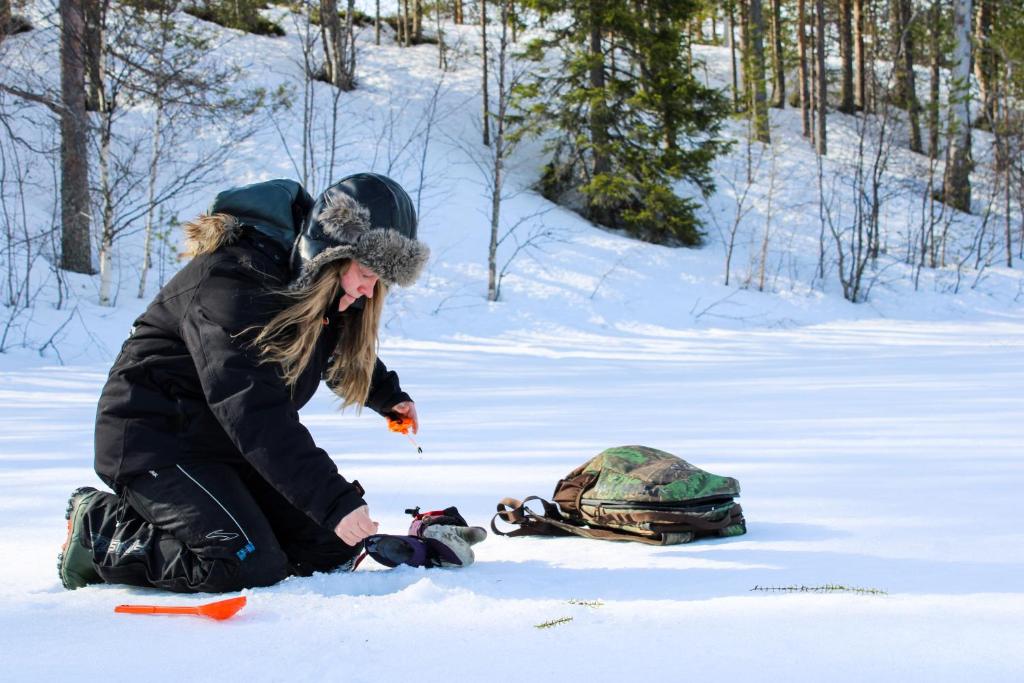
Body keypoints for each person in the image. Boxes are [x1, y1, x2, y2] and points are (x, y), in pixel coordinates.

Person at [58, 173, 430, 593]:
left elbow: (331, 349)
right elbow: (253, 409)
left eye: (379, 280)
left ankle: (221, 516)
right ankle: (99, 527)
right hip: (156, 440)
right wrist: (332, 500)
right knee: (244, 563)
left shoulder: (307, 287)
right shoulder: (232, 281)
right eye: (366, 272)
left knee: (328, 548)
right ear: (330, 253)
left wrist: (385, 395)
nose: (368, 288)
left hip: (223, 445)